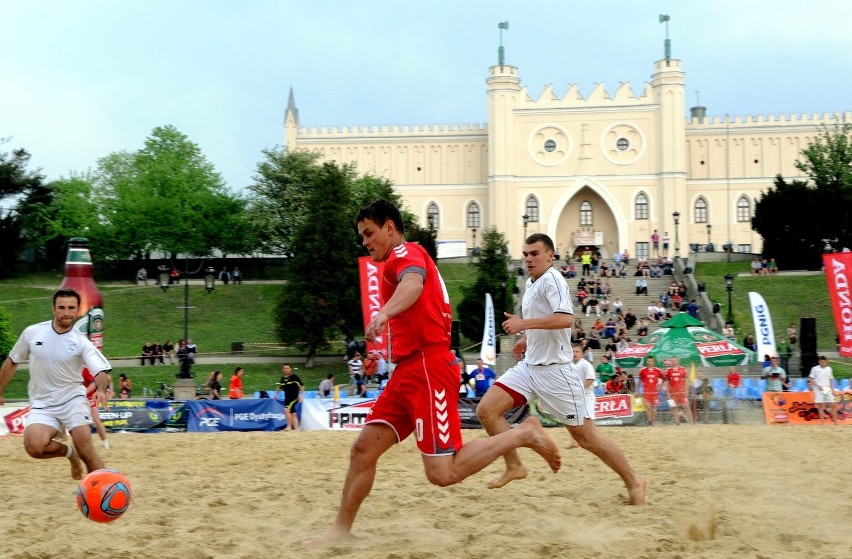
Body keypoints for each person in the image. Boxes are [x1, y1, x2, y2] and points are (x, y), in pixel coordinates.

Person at [306, 200, 563, 546]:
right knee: (363, 450)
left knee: (443, 473)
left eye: (369, 233)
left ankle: (523, 433)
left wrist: (383, 314)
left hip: (429, 367)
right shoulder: (395, 263)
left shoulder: (404, 254)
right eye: (362, 236)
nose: (365, 242)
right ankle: (340, 530)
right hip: (408, 371)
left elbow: (412, 286)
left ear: (389, 228)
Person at [475, 232, 644, 503]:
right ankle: (514, 465)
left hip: (556, 372)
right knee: (486, 410)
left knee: (586, 439)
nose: (528, 259)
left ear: (550, 255)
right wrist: (526, 338)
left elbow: (565, 320)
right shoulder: (532, 284)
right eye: (526, 254)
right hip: (530, 368)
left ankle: (634, 481)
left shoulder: (553, 279)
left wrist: (523, 325)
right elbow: (543, 321)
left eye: (535, 254)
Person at [0, 288, 112, 480]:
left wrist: (101, 389)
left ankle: (104, 492)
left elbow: (100, 371)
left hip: (72, 400)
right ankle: (70, 454)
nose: (66, 312)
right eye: (61, 307)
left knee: (85, 448)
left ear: (78, 311)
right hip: (42, 403)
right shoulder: (32, 333)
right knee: (34, 447)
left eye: (71, 308)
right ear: (53, 309)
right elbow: (12, 360)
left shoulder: (81, 341)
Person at [567, 342, 598, 448]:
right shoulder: (568, 365)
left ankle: (595, 440)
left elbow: (591, 379)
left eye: (577, 351)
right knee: (571, 418)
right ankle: (574, 442)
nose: (574, 353)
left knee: (587, 419)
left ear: (582, 354)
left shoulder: (585, 364)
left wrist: (580, 389)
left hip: (586, 395)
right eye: (573, 351)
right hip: (575, 396)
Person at [82, 368, 110, 449]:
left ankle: (105, 442)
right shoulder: (70, 369)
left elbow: (93, 384)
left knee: (96, 419)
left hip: (89, 397)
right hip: (79, 399)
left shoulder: (85, 369)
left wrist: (83, 393)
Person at [808, 356, 840, 424]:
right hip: (819, 388)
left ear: (826, 362)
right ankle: (822, 422)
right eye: (821, 361)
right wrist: (818, 385)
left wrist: (832, 389)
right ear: (819, 362)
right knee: (820, 406)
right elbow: (811, 378)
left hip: (827, 388)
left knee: (833, 404)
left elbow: (831, 379)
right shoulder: (814, 369)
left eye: (824, 361)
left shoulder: (829, 369)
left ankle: (835, 421)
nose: (822, 363)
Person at [274, 363, 304, 430]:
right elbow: (279, 387)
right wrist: (276, 394)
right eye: (284, 368)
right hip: (287, 398)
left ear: (290, 369)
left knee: (286, 410)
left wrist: (302, 396)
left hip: (294, 398)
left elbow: (302, 386)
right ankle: (297, 428)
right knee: (293, 413)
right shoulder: (282, 378)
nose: (286, 370)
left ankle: (289, 426)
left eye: (287, 368)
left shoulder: (295, 377)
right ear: (283, 369)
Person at [663, 357, 693, 424]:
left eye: (675, 361)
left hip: (682, 392)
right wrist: (667, 393)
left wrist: (687, 391)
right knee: (674, 407)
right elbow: (666, 382)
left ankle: (692, 423)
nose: (674, 362)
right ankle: (677, 423)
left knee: (686, 406)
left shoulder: (683, 369)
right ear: (671, 362)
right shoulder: (668, 370)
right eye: (672, 361)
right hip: (672, 393)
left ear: (678, 361)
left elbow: (686, 380)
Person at [639, 355, 663, 426]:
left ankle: (654, 423)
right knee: (648, 407)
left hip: (655, 393)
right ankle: (649, 422)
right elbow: (640, 380)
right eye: (649, 361)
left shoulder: (658, 370)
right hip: (646, 392)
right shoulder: (643, 370)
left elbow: (663, 378)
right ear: (647, 361)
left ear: (654, 362)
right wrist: (638, 390)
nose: (650, 362)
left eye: (651, 361)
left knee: (654, 408)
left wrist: (660, 385)